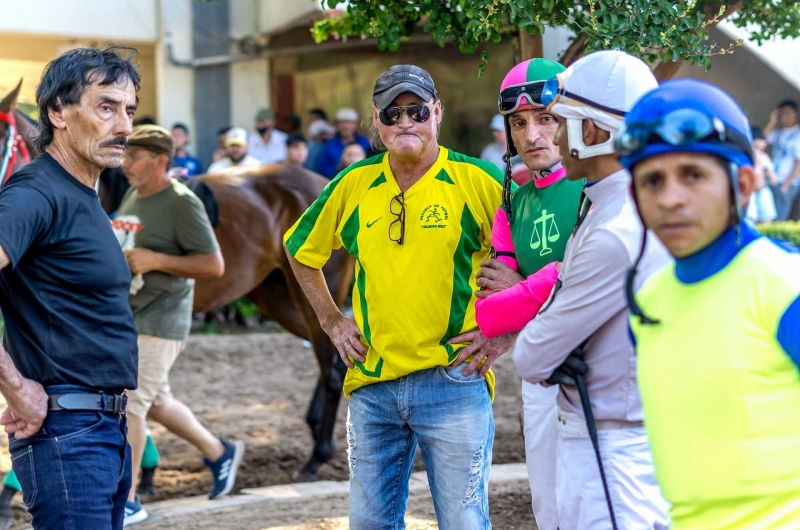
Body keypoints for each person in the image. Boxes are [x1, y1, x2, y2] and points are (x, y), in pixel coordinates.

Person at [284, 64, 516, 529]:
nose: (405, 122)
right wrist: (332, 321)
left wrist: (502, 333)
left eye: (416, 110)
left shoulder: (480, 180)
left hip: (453, 379)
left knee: (464, 523)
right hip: (373, 384)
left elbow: (531, 264)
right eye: (392, 113)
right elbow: (299, 248)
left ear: (437, 112)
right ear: (376, 120)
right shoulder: (353, 183)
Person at [623, 79, 800, 529]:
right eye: (652, 180)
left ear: (743, 184)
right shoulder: (648, 302)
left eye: (694, 175)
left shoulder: (784, 286)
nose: (670, 198)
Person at [512, 50, 670, 529]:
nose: (551, 134)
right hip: (612, 444)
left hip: (611, 458)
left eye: (559, 121)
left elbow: (532, 356)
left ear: (594, 131)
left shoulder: (614, 226)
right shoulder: (617, 205)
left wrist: (545, 334)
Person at [0, 45, 140, 530]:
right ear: (58, 111)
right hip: (67, 434)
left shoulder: (83, 194)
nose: (124, 126)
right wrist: (16, 389)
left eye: (128, 111)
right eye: (106, 107)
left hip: (102, 429)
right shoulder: (36, 192)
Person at [474, 58, 584, 530]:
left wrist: (524, 291)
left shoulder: (596, 189)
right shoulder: (512, 200)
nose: (532, 135)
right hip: (539, 376)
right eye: (519, 123)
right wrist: (521, 303)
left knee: (591, 504)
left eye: (546, 118)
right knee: (548, 506)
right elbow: (493, 306)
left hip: (596, 373)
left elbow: (591, 281)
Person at [117, 125, 244, 526]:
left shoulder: (182, 202)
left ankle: (129, 499)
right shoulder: (135, 192)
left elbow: (213, 265)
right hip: (134, 312)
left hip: (163, 317)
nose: (124, 165)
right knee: (156, 402)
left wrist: (156, 260)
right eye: (124, 156)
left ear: (160, 161)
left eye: (133, 158)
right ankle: (219, 452)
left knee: (131, 403)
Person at [763, 99, 800, 219]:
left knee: (778, 219)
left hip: (787, 182)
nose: (788, 116)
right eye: (784, 113)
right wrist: (772, 121)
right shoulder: (778, 132)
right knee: (766, 217)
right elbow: (760, 141)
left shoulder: (798, 134)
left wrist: (787, 184)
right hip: (773, 179)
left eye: (791, 113)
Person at [313, 107, 371, 178]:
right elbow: (320, 170)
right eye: (342, 122)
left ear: (355, 125)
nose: (346, 126)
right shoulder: (329, 144)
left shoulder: (364, 142)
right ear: (336, 124)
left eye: (350, 122)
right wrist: (338, 167)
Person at [746, 127, 778, 224]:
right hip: (750, 192)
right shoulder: (747, 155)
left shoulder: (765, 157)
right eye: (757, 141)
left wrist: (767, 171)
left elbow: (774, 181)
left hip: (764, 190)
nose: (760, 144)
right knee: (750, 221)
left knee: (766, 221)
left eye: (762, 141)